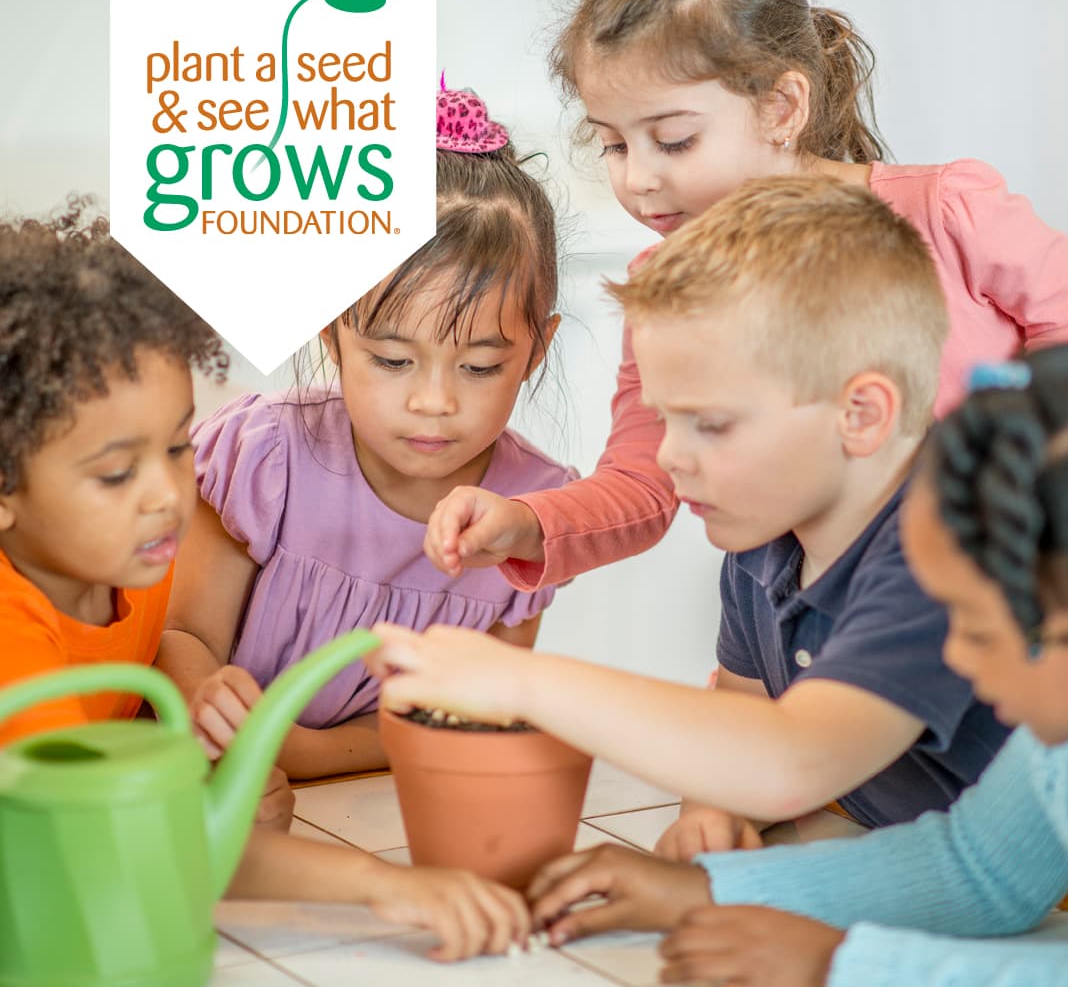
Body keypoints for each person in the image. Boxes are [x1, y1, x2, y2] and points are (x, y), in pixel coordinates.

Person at [424, 0, 1068, 628]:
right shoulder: (667, 291)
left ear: (781, 106)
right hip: (819, 631)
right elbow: (645, 481)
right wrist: (525, 522)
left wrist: (1006, 471)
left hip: (1000, 619)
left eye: (673, 140)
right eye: (613, 145)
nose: (638, 179)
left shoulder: (947, 213)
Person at [369, 177, 1009, 846]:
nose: (671, 457)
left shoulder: (946, 546)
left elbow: (795, 756)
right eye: (668, 421)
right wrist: (714, 811)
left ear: (861, 415)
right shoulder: (765, 542)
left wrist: (519, 682)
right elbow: (745, 707)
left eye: (711, 424)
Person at [0, 205, 532, 962]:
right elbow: (112, 847)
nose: (166, 496)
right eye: (117, 473)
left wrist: (215, 777)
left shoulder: (134, 574)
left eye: (180, 446)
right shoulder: (13, 637)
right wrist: (387, 887)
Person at [526, 344, 1068, 987]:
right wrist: (709, 890)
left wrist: (846, 965)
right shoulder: (1054, 748)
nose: (955, 656)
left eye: (979, 632)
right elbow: (981, 869)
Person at [155, 85, 576, 780]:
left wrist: (302, 754)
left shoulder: (534, 514)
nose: (433, 401)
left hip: (369, 803)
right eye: (390, 360)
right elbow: (181, 636)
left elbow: (471, 711)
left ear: (536, 350)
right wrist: (205, 698)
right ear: (332, 334)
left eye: (478, 365)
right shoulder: (268, 457)